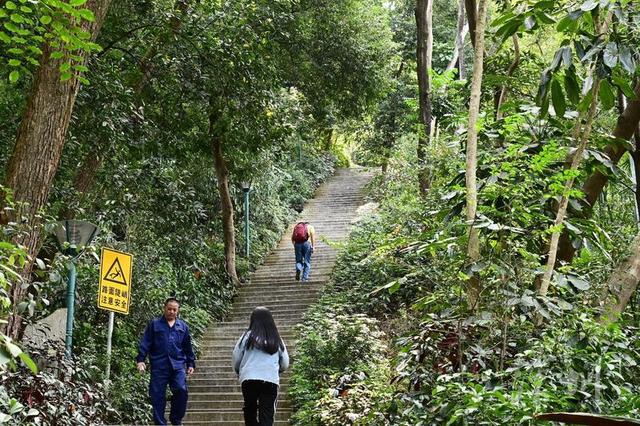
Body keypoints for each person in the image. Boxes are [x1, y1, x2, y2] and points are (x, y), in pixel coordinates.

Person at [136, 297, 195, 425]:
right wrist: (141, 360)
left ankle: (176, 419)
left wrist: (190, 363)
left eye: (174, 310)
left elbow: (187, 346)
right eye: (169, 309)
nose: (172, 312)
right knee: (157, 396)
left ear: (178, 311)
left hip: (178, 365)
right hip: (159, 366)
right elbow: (146, 342)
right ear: (164, 308)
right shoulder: (154, 325)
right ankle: (160, 423)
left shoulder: (182, 327)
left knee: (181, 390)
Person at [232, 306, 289, 426]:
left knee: (250, 411)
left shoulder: (246, 337)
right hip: (270, 379)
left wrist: (240, 372)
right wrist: (276, 371)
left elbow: (236, 358)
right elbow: (285, 362)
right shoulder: (276, 338)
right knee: (267, 413)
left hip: (248, 379)